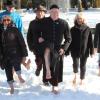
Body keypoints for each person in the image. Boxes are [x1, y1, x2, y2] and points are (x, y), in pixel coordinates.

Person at [42, 4, 71, 94]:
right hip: (47, 46)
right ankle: (46, 80)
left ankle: (55, 85)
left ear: (59, 12)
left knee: (56, 68)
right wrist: (39, 38)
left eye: (56, 12)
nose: (55, 13)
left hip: (58, 48)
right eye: (53, 11)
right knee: (46, 66)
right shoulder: (44, 22)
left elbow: (68, 38)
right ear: (49, 12)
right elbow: (37, 31)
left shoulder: (64, 23)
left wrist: (64, 48)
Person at [0, 15, 28, 94]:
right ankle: (11, 87)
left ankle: (19, 76)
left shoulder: (15, 30)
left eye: (8, 20)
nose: (6, 21)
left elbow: (22, 42)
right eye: (4, 20)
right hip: (5, 54)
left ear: (11, 21)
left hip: (15, 52)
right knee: (8, 70)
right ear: (2, 21)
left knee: (17, 65)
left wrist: (24, 54)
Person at [27, 4, 49, 85]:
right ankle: (38, 68)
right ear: (36, 13)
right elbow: (29, 36)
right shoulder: (32, 23)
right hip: (36, 47)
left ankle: (45, 80)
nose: (39, 13)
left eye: (41, 12)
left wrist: (45, 39)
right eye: (38, 12)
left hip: (46, 47)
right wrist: (31, 47)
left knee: (46, 63)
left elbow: (51, 33)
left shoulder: (48, 22)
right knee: (39, 62)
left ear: (44, 13)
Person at [69, 13, 94, 85]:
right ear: (75, 20)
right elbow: (69, 41)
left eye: (80, 19)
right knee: (75, 64)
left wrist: (92, 51)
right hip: (75, 50)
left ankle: (82, 79)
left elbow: (90, 41)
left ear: (83, 20)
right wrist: (67, 50)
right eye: (78, 19)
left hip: (84, 51)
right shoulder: (72, 29)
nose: (79, 20)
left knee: (83, 65)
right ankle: (75, 76)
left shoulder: (87, 29)